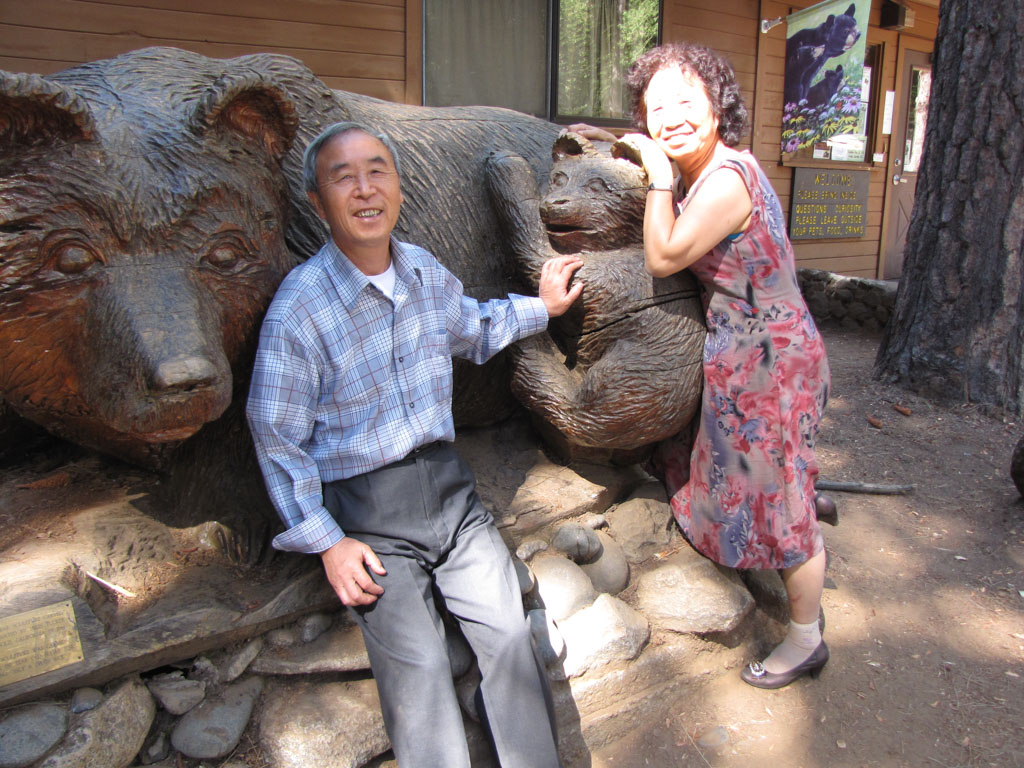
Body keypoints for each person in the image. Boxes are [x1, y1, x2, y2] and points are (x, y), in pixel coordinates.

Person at [246, 121, 583, 766]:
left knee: (510, 635)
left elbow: (474, 328)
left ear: (398, 186)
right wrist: (327, 542)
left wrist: (542, 307)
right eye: (343, 177)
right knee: (420, 669)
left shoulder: (424, 272)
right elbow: (276, 435)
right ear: (317, 202)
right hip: (366, 515)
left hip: (451, 496)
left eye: (378, 170)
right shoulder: (299, 309)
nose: (364, 189)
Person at [612, 42, 833, 689]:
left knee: (782, 507)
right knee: (752, 474)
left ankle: (806, 638)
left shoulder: (728, 179)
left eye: (687, 101)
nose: (671, 118)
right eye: (656, 108)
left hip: (771, 363)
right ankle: (793, 495)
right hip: (748, 351)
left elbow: (663, 255)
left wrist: (657, 174)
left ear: (717, 107)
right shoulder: (707, 168)